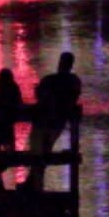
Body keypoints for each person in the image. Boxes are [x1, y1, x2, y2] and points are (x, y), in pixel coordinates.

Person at [23, 52, 82, 191]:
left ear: (60, 63)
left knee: (38, 151)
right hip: (57, 122)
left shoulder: (48, 80)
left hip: (42, 120)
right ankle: (34, 183)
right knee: (44, 150)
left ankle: (33, 184)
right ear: (71, 64)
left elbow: (39, 96)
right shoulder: (73, 81)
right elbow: (73, 99)